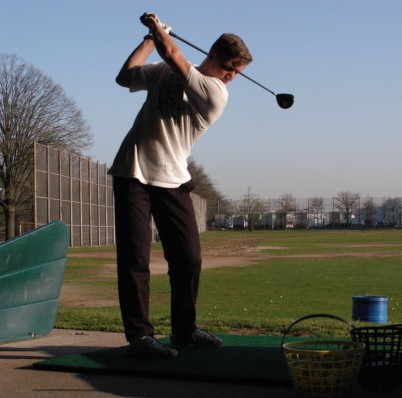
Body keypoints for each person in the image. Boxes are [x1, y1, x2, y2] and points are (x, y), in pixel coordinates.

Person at [108, 12, 252, 359]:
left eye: (238, 72)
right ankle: (139, 338)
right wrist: (147, 41)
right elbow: (123, 77)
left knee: (188, 258)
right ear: (214, 55)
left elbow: (174, 55)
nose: (232, 77)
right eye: (230, 66)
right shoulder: (162, 71)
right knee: (135, 258)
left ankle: (184, 331)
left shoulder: (216, 92)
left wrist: (157, 30)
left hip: (172, 178)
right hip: (132, 171)